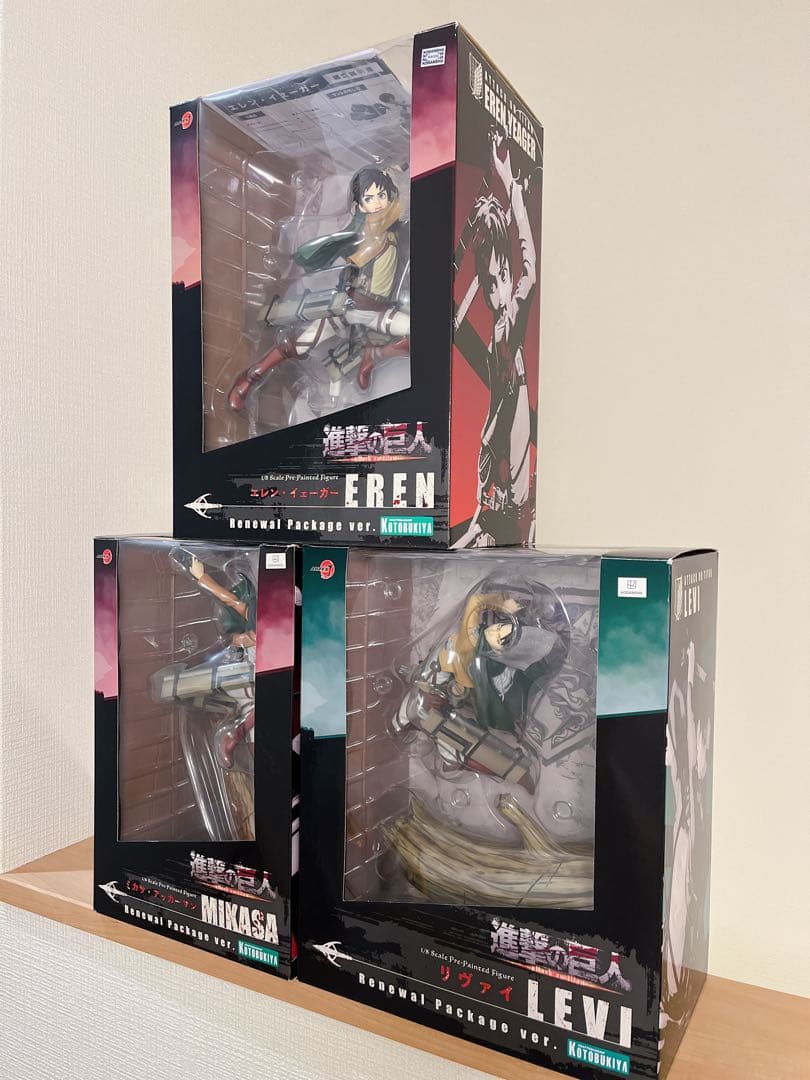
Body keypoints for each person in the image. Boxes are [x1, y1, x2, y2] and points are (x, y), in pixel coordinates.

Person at [227, 166, 410, 411]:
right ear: (360, 205)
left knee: (414, 334)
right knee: (300, 344)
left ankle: (372, 356)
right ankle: (251, 376)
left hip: (378, 311)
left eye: (381, 196)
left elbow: (400, 199)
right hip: (349, 308)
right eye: (369, 198)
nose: (377, 203)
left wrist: (395, 170)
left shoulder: (389, 222)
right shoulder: (366, 230)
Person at [453, 133, 536, 548]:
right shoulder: (499, 327)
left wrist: (513, 190)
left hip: (505, 480)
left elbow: (530, 271)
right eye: (486, 283)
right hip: (497, 474)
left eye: (495, 279)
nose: (491, 292)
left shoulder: (510, 322)